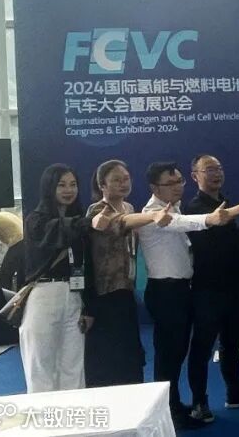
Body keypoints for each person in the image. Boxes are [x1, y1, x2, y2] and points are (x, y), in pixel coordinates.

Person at [140, 161, 239, 427]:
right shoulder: (154, 213)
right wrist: (218, 216)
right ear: (154, 187)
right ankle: (169, 412)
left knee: (177, 353)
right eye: (170, 183)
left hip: (180, 290)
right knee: (167, 356)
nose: (177, 187)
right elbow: (186, 223)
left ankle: (174, 405)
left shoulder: (174, 207)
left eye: (179, 182)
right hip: (165, 291)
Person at [186, 154, 239, 418]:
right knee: (202, 347)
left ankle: (235, 392)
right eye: (209, 169)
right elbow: (208, 248)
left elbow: (235, 245)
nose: (216, 174)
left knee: (232, 342)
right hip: (207, 290)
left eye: (219, 168)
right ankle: (199, 402)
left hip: (231, 287)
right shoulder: (194, 207)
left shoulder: (227, 203)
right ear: (195, 176)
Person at [84, 160, 169, 389]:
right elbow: (121, 223)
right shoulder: (97, 211)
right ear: (102, 185)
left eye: (126, 179)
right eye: (116, 180)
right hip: (103, 294)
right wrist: (153, 216)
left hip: (126, 291)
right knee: (106, 357)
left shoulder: (129, 207)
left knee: (130, 356)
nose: (123, 183)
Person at [20, 164, 95, 393]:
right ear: (49, 187)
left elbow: (86, 265)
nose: (68, 190)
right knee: (40, 364)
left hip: (74, 296)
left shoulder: (77, 220)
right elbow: (59, 231)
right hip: (44, 295)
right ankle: (44, 414)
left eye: (73, 184)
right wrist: (90, 221)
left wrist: (88, 306)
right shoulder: (36, 220)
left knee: (73, 366)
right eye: (61, 185)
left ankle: (74, 413)